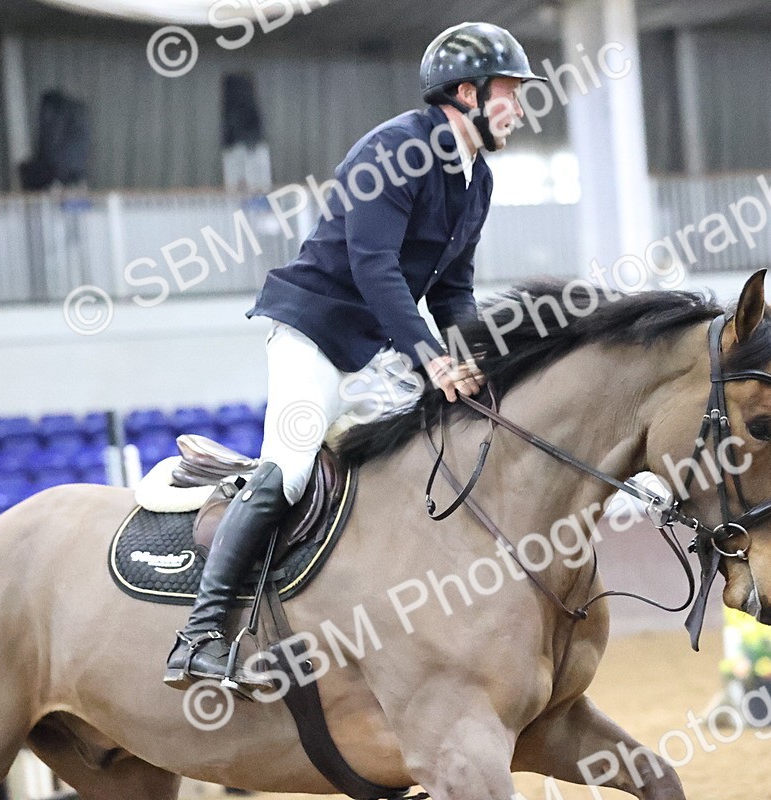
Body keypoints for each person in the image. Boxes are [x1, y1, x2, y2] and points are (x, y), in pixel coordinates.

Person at [164, 21, 546, 692]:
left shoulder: (477, 181)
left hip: (378, 352)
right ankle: (198, 636)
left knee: (438, 455)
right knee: (287, 469)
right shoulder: (391, 152)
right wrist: (431, 357)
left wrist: (481, 361)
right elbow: (375, 269)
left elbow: (452, 289)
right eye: (511, 92)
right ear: (467, 92)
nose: (521, 107)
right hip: (312, 337)